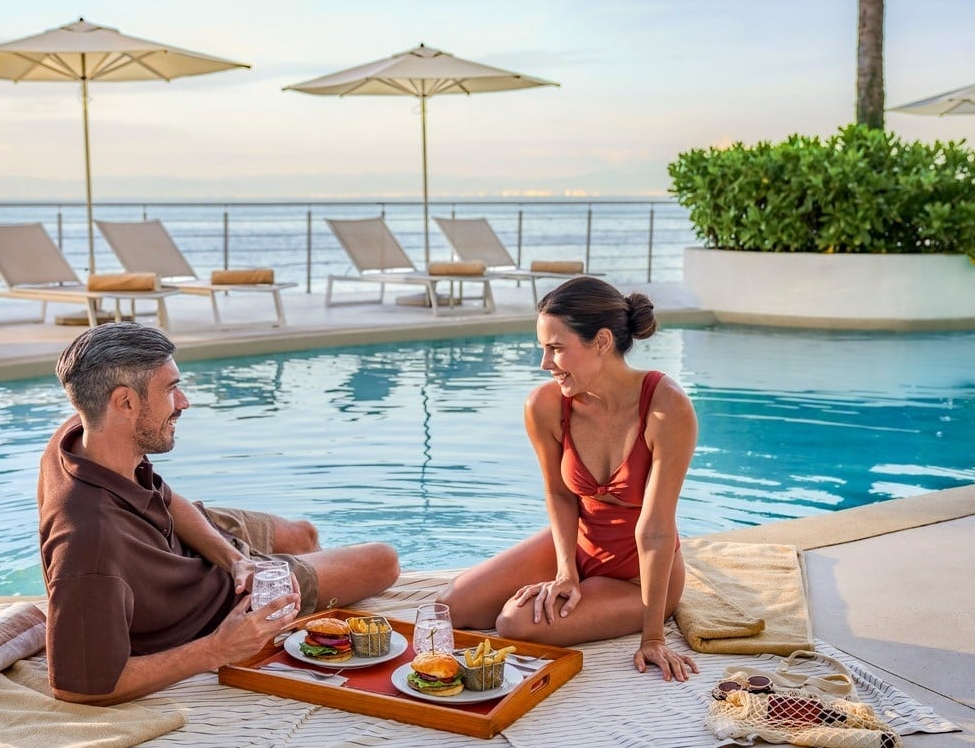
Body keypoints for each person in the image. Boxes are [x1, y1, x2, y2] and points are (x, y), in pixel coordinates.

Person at [38, 322, 400, 705]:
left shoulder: (83, 432)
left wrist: (237, 560)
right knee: (383, 561)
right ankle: (302, 591)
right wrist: (217, 648)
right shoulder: (90, 544)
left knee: (304, 534)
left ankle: (279, 569)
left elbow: (162, 494)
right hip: (199, 601)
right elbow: (75, 686)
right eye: (170, 389)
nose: (184, 402)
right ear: (125, 402)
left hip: (178, 536)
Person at [437, 277, 699, 682]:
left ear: (602, 341)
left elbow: (657, 529)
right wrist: (565, 572)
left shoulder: (667, 408)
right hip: (577, 543)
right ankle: (572, 580)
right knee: (451, 608)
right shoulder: (544, 406)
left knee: (514, 622)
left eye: (556, 349)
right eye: (543, 348)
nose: (545, 363)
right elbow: (559, 493)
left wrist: (653, 637)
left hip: (637, 575)